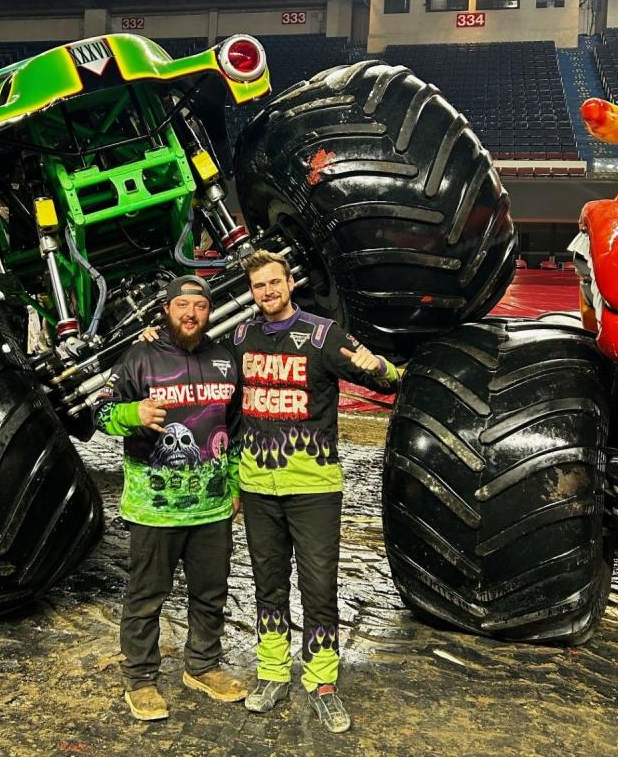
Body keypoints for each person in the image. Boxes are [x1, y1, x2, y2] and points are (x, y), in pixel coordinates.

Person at [233, 249, 399, 733]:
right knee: (268, 585)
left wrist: (379, 365)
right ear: (252, 291)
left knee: (320, 588)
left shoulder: (322, 334)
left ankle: (322, 682)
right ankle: (270, 673)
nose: (267, 291)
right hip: (257, 485)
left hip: (314, 487)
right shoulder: (242, 337)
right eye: (258, 285)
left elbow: (385, 381)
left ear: (289, 283)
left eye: (274, 282)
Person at [94, 275, 248, 722]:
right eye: (182, 305)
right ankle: (140, 679)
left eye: (199, 306)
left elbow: (235, 431)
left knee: (210, 592)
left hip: (212, 506)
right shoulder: (140, 357)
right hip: (154, 508)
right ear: (166, 309)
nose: (190, 313)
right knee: (147, 596)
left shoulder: (224, 359)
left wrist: (235, 485)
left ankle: (202, 667)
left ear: (208, 311)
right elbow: (100, 412)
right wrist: (132, 413)